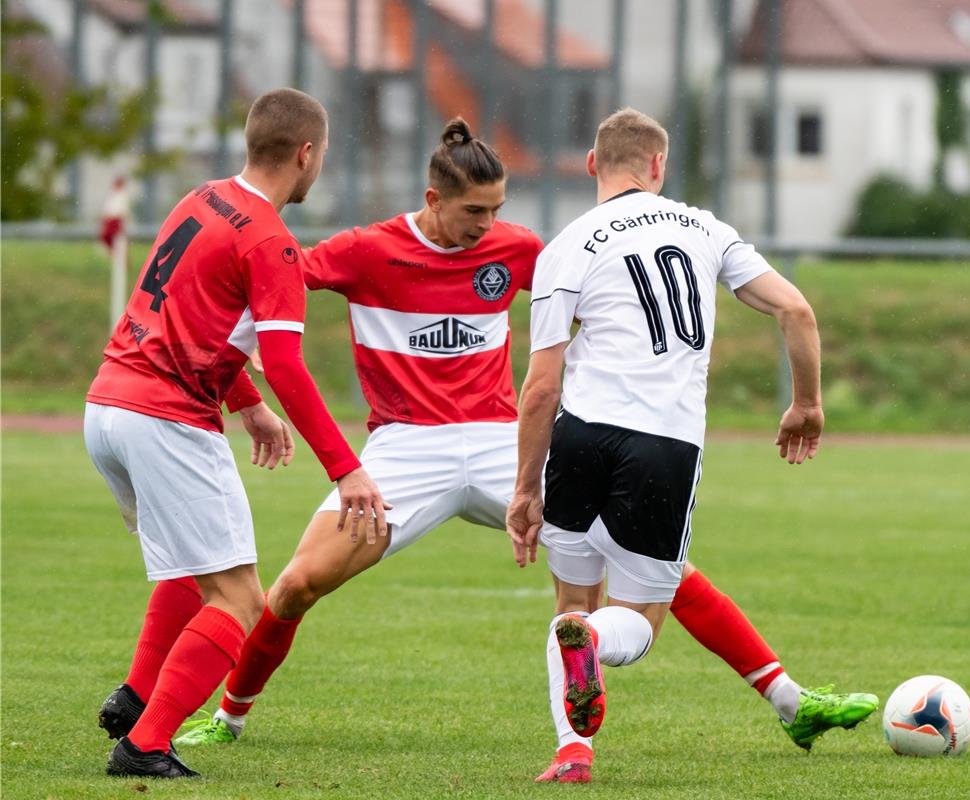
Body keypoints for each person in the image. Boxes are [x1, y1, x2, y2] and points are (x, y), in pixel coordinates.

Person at [170, 119, 875, 781]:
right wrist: (243, 398)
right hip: (404, 449)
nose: (489, 227)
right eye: (474, 212)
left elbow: (603, 294)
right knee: (295, 585)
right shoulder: (363, 251)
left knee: (661, 570)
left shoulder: (517, 250)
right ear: (432, 199)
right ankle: (228, 717)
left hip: (497, 440)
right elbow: (255, 301)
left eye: (496, 210)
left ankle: (788, 700)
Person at [506, 107, 877, 782]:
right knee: (639, 624)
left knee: (570, 605)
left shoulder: (564, 246)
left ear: (593, 165)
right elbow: (796, 309)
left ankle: (573, 751)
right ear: (658, 166)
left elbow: (538, 387)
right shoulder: (702, 226)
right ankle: (597, 644)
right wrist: (807, 404)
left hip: (580, 436)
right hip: (663, 445)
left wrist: (526, 486)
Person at [86, 88, 388, 779]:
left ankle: (136, 697)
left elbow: (183, 317)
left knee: (198, 569)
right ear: (307, 154)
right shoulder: (271, 241)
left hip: (108, 405)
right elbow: (285, 361)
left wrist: (245, 402)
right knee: (242, 598)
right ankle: (145, 746)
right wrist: (345, 469)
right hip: (163, 419)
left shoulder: (200, 198)